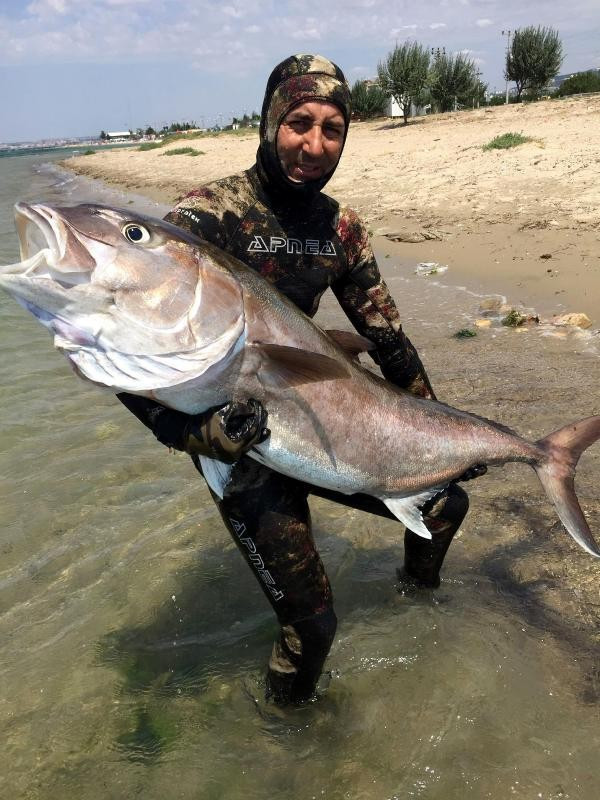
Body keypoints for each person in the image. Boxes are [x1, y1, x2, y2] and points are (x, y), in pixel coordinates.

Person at [118, 54, 483, 705]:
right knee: (313, 627)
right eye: (299, 122)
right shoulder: (208, 220)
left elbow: (387, 340)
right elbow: (128, 350)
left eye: (333, 128)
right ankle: (283, 743)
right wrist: (191, 432)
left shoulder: (339, 230)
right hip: (236, 440)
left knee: (446, 503)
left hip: (316, 419)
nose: (315, 145)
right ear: (270, 120)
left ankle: (417, 607)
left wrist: (441, 432)